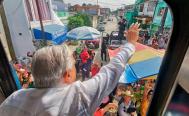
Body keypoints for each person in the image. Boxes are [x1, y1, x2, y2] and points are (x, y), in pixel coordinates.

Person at [0, 23, 140, 116]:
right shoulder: (77, 96)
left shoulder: (13, 99)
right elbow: (111, 70)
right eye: (73, 64)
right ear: (67, 75)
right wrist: (130, 44)